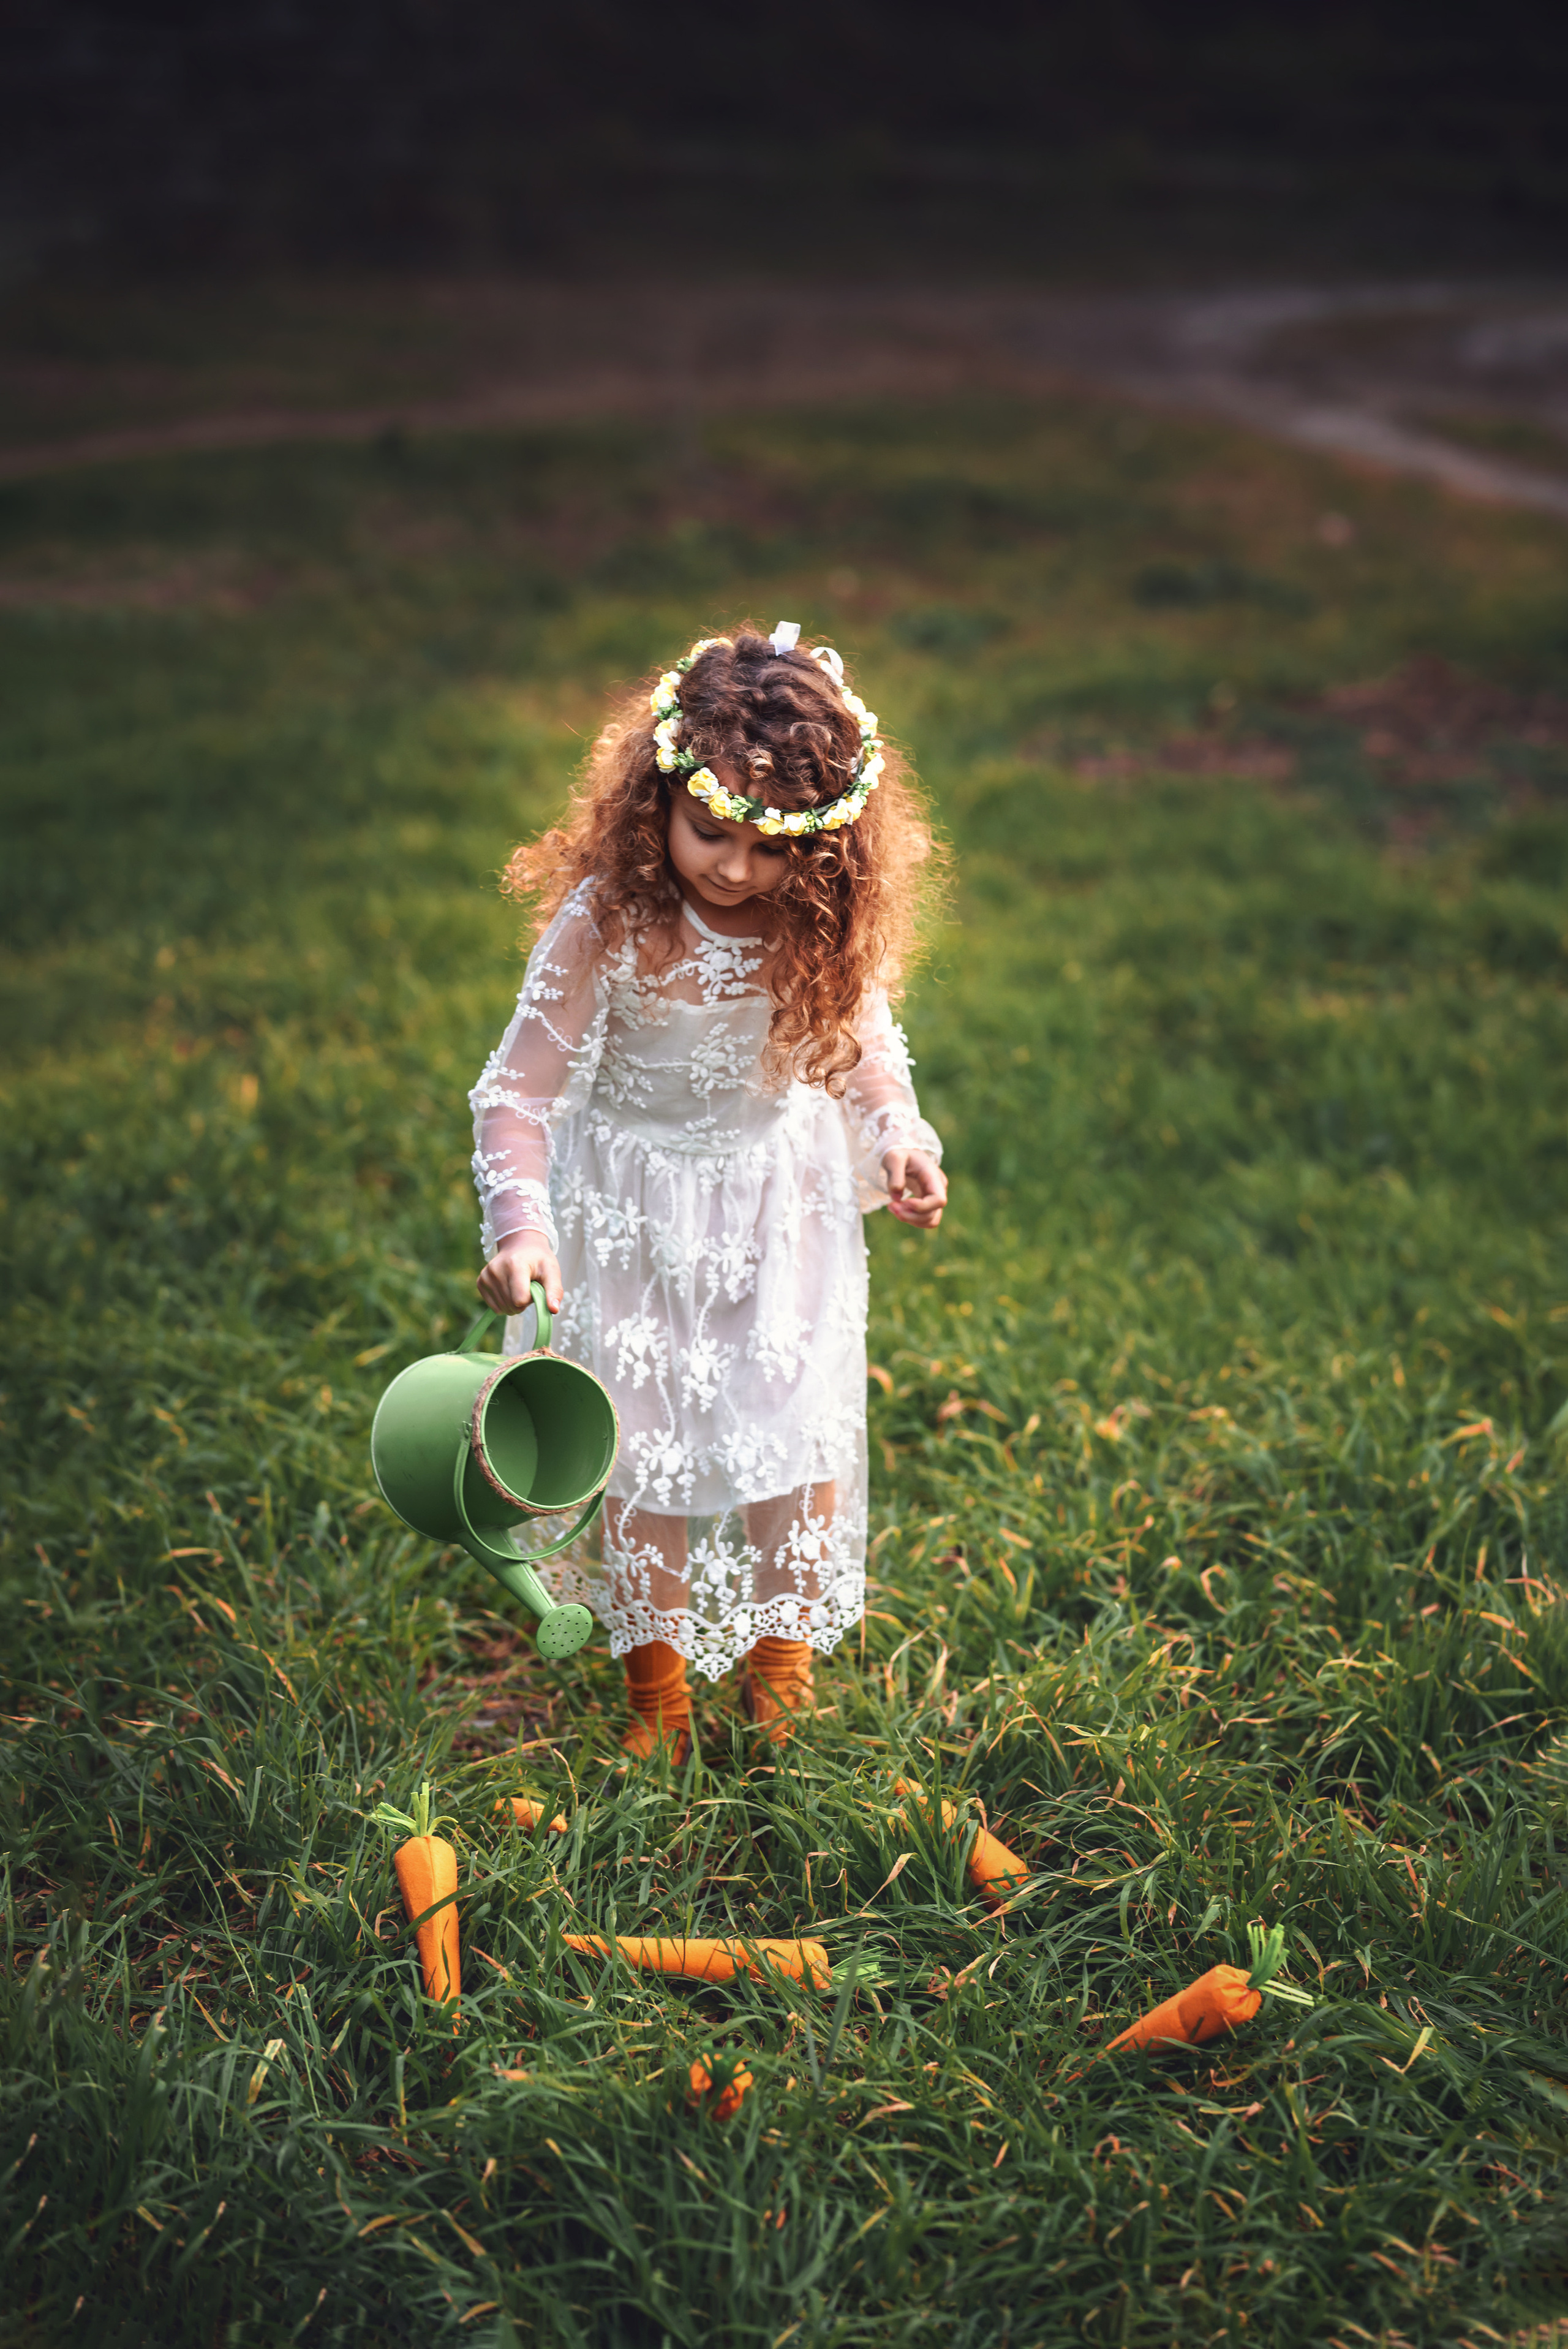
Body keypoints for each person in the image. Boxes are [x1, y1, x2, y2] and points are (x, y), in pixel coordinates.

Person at [469, 621, 946, 1761]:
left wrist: (899, 1137)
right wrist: (522, 1225)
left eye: (771, 847)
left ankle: (781, 1675)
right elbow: (516, 1095)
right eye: (710, 831)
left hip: (781, 1210)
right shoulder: (611, 923)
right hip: (632, 1218)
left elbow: (867, 1053)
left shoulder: (819, 923)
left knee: (791, 1428)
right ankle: (661, 1699)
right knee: (644, 1451)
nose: (734, 868)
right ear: (660, 801)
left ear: (826, 845)